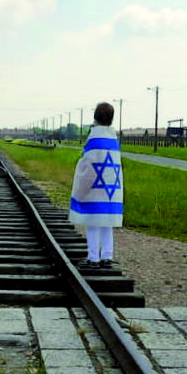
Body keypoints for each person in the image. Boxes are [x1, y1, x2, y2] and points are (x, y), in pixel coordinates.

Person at [69, 102, 123, 268]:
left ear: (95, 117)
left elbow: (89, 163)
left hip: (94, 187)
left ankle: (93, 258)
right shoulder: (113, 138)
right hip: (110, 188)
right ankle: (107, 256)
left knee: (92, 221)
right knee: (106, 222)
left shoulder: (94, 138)